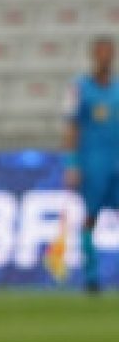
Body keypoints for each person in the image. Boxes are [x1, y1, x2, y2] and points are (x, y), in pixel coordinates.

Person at [63, 34, 119, 292]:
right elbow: (71, 127)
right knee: (90, 217)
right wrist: (71, 163)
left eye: (109, 52)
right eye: (101, 52)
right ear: (94, 55)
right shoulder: (79, 88)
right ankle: (92, 276)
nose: (105, 57)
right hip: (93, 163)